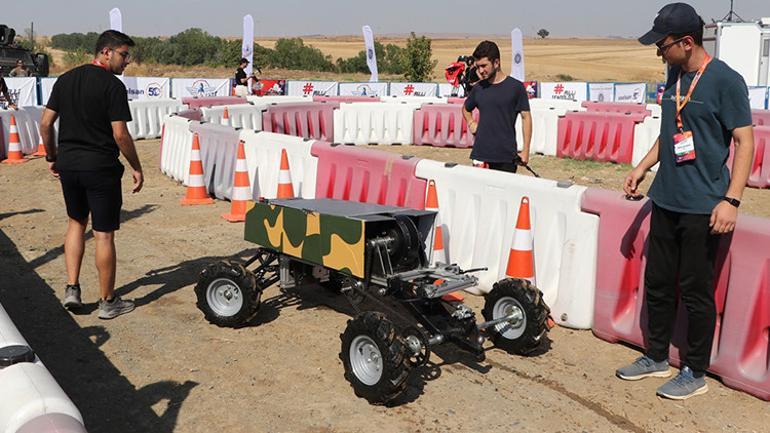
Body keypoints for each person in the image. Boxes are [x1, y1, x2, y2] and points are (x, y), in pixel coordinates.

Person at [617, 2, 754, 400]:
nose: (659, 52)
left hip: (703, 206)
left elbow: (746, 141)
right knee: (658, 282)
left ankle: (695, 371)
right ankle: (656, 356)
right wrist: (642, 167)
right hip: (666, 200)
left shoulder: (726, 82)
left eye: (662, 46)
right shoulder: (675, 77)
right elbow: (671, 133)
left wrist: (732, 200)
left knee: (695, 290)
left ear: (687, 42)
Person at [40, 30, 144, 320]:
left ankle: (72, 289)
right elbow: (120, 134)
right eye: (124, 55)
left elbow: (46, 123)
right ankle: (107, 301)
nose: (127, 62)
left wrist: (52, 156)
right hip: (100, 167)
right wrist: (136, 166)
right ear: (106, 52)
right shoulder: (112, 86)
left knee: (75, 223)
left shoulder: (66, 79)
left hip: (70, 165)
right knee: (103, 234)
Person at [462, 40, 532, 173]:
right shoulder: (478, 89)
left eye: (484, 66)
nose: (480, 71)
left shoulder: (516, 88)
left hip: (506, 156)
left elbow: (526, 117)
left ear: (496, 62)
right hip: (481, 155)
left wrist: (526, 151)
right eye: (478, 67)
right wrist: (471, 122)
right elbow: (465, 109)